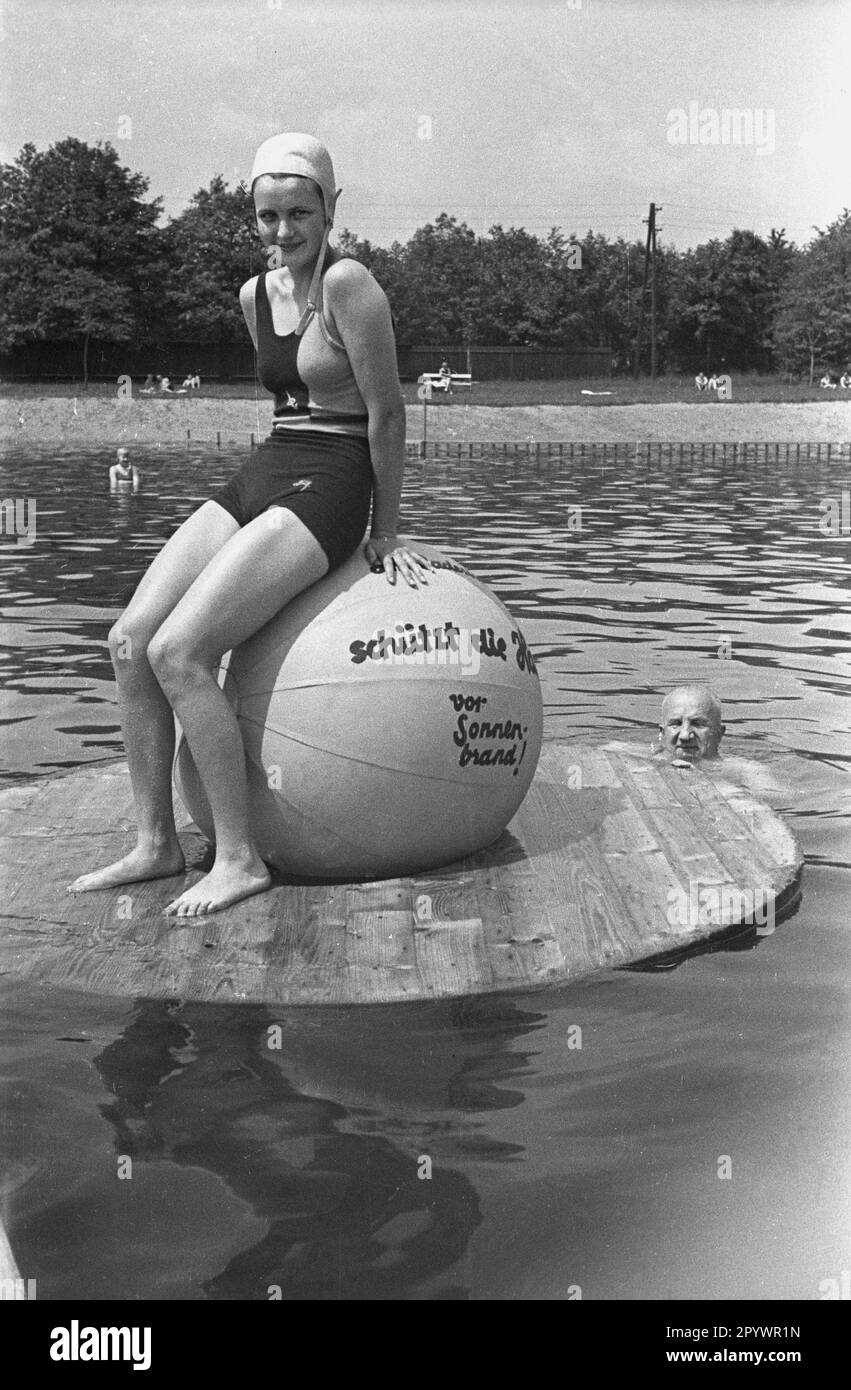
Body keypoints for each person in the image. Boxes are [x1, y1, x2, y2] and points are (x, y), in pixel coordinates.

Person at [69, 131, 432, 917]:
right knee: (131, 642)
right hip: (272, 462)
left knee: (182, 651)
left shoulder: (349, 284)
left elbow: (389, 415)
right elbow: (285, 405)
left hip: (334, 480)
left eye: (299, 213)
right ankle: (156, 845)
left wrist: (386, 529)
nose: (282, 232)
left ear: (331, 208)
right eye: (267, 217)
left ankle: (238, 858)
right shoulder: (249, 295)